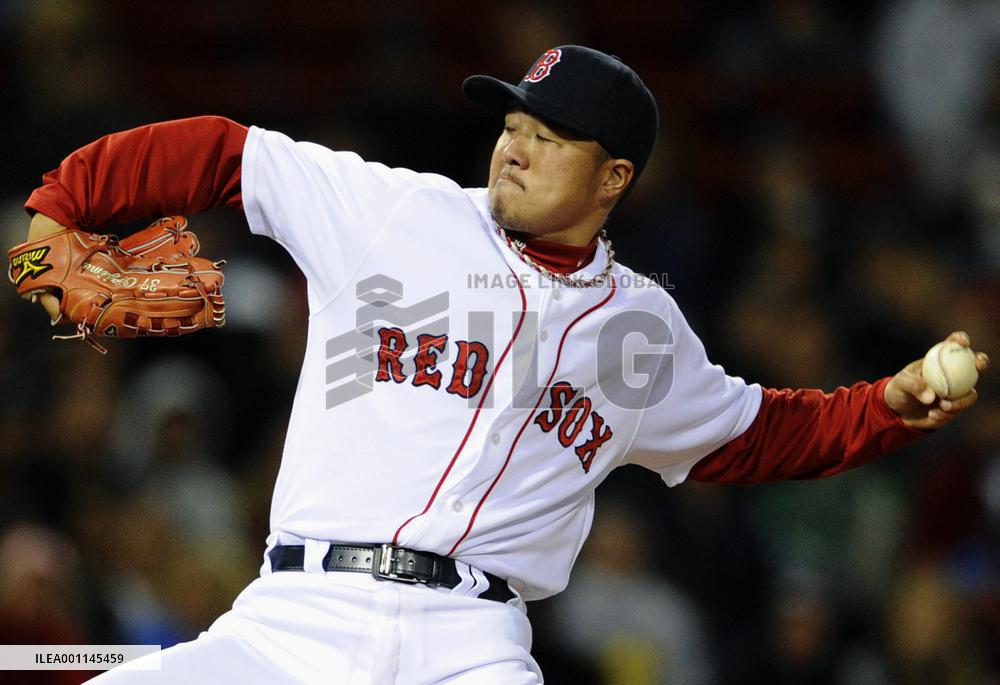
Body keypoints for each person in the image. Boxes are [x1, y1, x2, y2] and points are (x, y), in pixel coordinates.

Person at [18, 45, 989, 684]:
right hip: (295, 621)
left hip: (467, 646)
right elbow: (222, 154)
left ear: (614, 178)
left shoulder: (644, 330)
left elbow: (762, 433)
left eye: (549, 136)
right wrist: (57, 211)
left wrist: (892, 405)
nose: (515, 148)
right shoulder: (399, 211)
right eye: (513, 124)